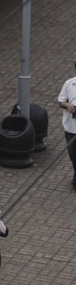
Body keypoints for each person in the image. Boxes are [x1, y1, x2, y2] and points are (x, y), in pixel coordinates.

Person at [57, 60, 76, 190]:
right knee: (73, 154)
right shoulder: (69, 84)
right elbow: (60, 100)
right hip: (70, 128)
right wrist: (67, 106)